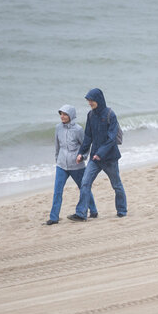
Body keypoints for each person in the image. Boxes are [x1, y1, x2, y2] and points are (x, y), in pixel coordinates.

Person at [67, 88, 127, 221]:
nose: (90, 103)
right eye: (88, 100)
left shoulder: (110, 114)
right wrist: (82, 153)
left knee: (116, 185)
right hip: (95, 158)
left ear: (99, 100)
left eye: (91, 100)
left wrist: (101, 153)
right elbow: (88, 136)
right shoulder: (90, 115)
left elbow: (111, 138)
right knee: (85, 183)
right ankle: (81, 214)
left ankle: (122, 210)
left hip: (110, 158)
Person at [46, 104, 97, 225]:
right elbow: (57, 146)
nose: (62, 116)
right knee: (57, 191)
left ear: (71, 115)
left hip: (77, 166)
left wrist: (83, 157)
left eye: (65, 114)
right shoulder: (58, 128)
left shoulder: (78, 129)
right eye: (61, 114)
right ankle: (54, 218)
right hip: (61, 166)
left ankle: (93, 210)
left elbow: (85, 146)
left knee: (84, 188)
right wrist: (57, 159)